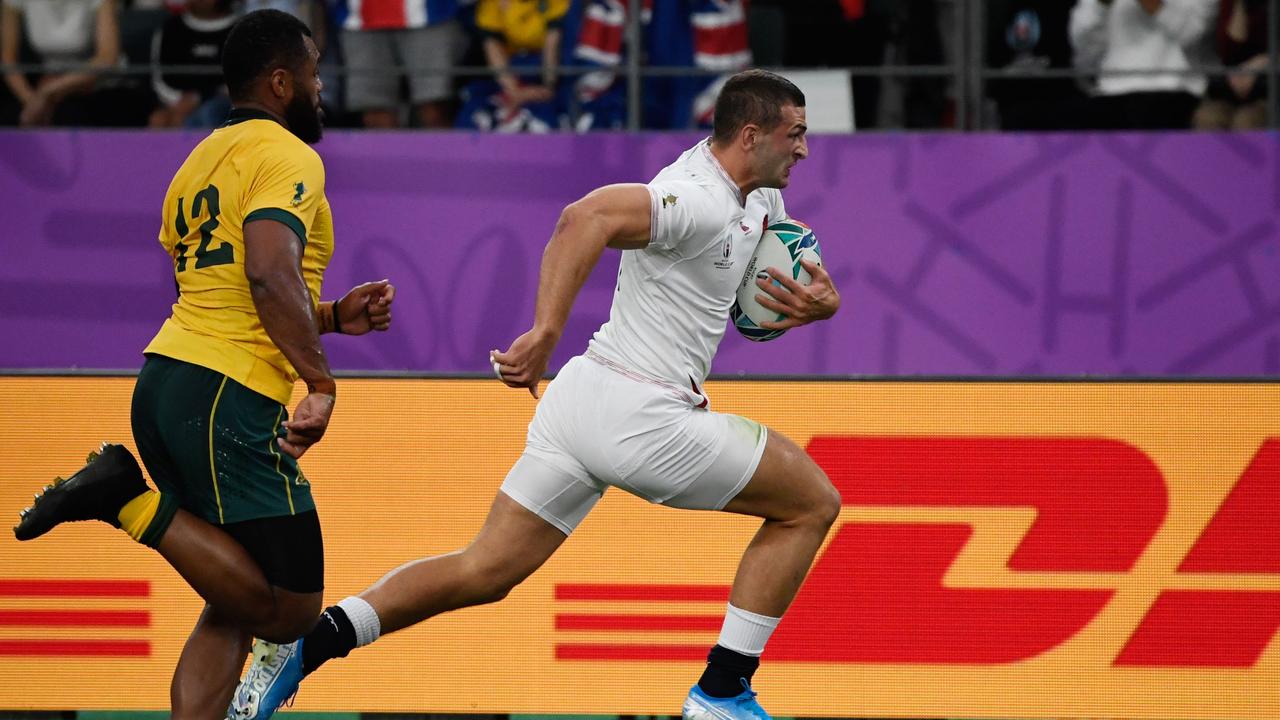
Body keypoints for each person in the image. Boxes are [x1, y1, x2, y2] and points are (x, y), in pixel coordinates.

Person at [229, 68, 842, 720]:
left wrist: (820, 302)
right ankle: (721, 693)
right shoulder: (697, 198)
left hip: (583, 402)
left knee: (482, 571)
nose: (804, 148)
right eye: (794, 135)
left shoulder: (755, 195)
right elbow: (587, 217)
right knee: (811, 503)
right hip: (643, 418)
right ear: (751, 136)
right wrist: (546, 329)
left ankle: (306, 645)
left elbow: (772, 260)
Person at [12, 10, 396, 719]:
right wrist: (320, 381)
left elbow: (232, 292)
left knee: (236, 595)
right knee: (290, 608)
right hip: (225, 396)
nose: (321, 87)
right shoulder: (289, 156)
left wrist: (335, 316)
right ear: (280, 82)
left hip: (170, 381)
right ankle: (124, 496)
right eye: (312, 74)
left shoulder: (197, 162)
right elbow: (265, 271)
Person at [1070, 0, 1218, 129]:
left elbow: (1194, 35)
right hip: (1111, 92)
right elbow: (1084, 48)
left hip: (1178, 91)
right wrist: (1101, 5)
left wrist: (1151, 3)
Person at [1, 0, 125, 126]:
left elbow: (107, 58)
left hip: (95, 86)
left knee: (69, 116)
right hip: (42, 88)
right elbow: (7, 58)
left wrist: (49, 92)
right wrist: (30, 101)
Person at [148, 0, 237, 128]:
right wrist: (178, 102)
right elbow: (158, 78)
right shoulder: (171, 28)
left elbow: (245, 79)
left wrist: (198, 98)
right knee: (159, 119)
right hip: (175, 104)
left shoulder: (240, 28)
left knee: (208, 113)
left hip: (225, 103)